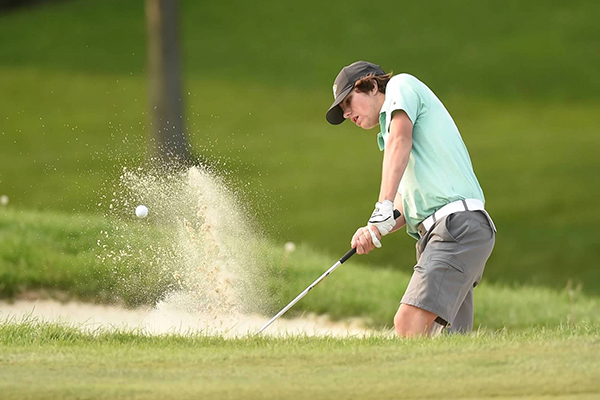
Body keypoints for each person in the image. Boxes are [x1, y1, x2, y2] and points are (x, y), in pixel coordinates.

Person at [325, 61, 496, 337]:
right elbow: (406, 203)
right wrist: (375, 227)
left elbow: (400, 140)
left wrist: (382, 205)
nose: (346, 114)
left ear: (369, 86)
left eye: (348, 102)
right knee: (444, 341)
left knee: (408, 323)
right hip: (446, 232)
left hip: (455, 226)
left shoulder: (401, 86)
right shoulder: (393, 136)